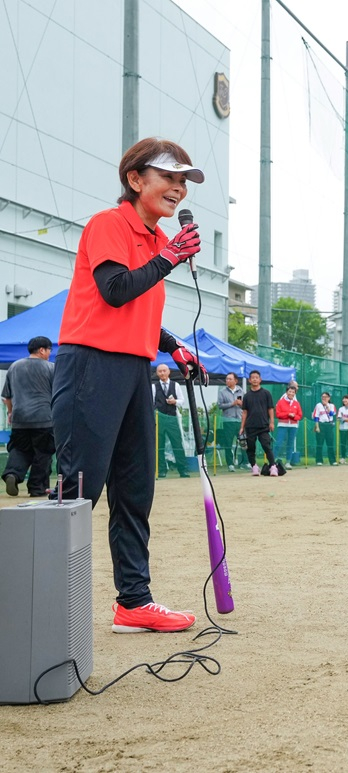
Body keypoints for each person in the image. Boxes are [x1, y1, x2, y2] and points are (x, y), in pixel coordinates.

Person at [51, 137, 207, 633]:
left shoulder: (157, 241)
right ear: (135, 179)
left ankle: (134, 602)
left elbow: (137, 309)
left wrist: (173, 345)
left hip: (135, 369)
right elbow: (115, 291)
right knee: (79, 488)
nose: (178, 189)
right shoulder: (109, 224)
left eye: (183, 181)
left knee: (135, 488)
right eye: (168, 178)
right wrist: (171, 257)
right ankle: (40, 603)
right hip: (91, 364)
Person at [2, 335, 55, 497]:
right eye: (49, 350)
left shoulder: (14, 367)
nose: (50, 353)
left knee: (19, 449)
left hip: (20, 419)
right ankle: (37, 487)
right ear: (41, 350)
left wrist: (10, 412)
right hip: (44, 418)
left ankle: (12, 473)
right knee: (43, 453)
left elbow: (7, 397)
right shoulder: (51, 368)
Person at [152, 363, 189, 478]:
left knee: (177, 444)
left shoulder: (175, 385)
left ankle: (183, 470)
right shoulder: (154, 387)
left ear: (169, 372)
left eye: (164, 371)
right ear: (157, 373)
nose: (162, 373)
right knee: (159, 445)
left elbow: (182, 400)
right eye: (160, 371)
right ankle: (161, 470)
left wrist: (175, 402)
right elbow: (151, 403)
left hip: (173, 418)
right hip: (159, 419)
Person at [240, 369, 277, 475]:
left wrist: (272, 422)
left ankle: (273, 466)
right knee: (251, 448)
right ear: (249, 380)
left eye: (257, 377)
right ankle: (254, 467)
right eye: (253, 378)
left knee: (266, 446)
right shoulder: (247, 396)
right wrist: (242, 427)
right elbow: (245, 412)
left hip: (263, 425)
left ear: (260, 379)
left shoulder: (266, 393)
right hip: (250, 426)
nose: (255, 379)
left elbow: (270, 409)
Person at [216, 371, 244, 471]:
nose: (227, 380)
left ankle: (245, 462)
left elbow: (245, 405)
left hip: (240, 420)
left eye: (230, 379)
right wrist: (232, 404)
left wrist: (241, 404)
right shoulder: (222, 392)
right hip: (228, 421)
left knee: (243, 442)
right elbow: (220, 405)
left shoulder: (241, 391)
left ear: (235, 381)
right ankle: (230, 464)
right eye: (227, 379)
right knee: (228, 443)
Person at [274, 384, 303, 469]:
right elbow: (278, 414)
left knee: (290, 444)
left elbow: (299, 415)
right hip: (282, 425)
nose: (291, 393)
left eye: (293, 392)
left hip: (293, 426)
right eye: (289, 391)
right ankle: (272, 461)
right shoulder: (281, 402)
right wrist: (288, 414)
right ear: (286, 392)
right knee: (278, 443)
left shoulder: (296, 403)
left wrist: (294, 416)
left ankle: (288, 462)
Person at [312, 391, 337, 466]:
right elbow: (316, 417)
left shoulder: (332, 405)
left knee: (330, 443)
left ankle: (332, 460)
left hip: (329, 425)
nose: (324, 398)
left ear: (329, 398)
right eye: (323, 397)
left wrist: (327, 405)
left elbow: (332, 414)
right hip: (321, 424)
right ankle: (319, 460)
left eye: (326, 397)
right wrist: (317, 427)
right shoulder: (318, 405)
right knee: (320, 443)